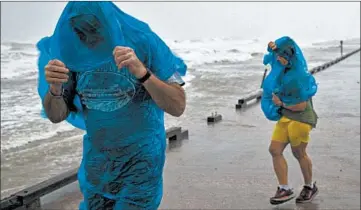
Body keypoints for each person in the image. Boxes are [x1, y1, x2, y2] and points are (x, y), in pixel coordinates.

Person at [37, 2, 187, 209]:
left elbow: (178, 105)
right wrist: (54, 89)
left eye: (93, 28)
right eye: (80, 31)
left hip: (141, 163)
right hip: (98, 166)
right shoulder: (71, 52)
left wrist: (142, 72)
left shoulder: (144, 42)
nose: (88, 38)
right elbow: (56, 115)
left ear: (108, 20)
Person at [261, 37, 319, 205]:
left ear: (291, 56)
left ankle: (309, 186)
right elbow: (276, 48)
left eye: (282, 56)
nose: (279, 59)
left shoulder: (298, 75)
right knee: (274, 150)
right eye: (278, 55)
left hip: (301, 117)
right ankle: (284, 188)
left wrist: (281, 103)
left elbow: (300, 106)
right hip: (285, 116)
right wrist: (273, 46)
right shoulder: (283, 69)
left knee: (299, 153)